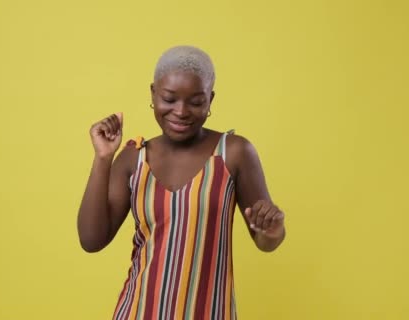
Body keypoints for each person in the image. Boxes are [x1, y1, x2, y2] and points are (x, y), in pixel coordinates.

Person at [77, 45, 286, 320]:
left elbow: (265, 240)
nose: (181, 111)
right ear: (153, 93)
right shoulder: (133, 158)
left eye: (196, 102)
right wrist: (103, 158)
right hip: (138, 311)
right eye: (169, 99)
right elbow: (91, 240)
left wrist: (273, 232)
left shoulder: (233, 153)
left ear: (210, 99)